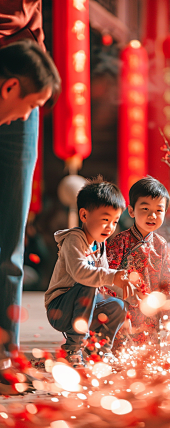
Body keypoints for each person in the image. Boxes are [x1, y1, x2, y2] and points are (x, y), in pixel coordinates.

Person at [0, 38, 61, 394]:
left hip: (22, 58)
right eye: (31, 107)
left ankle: (5, 356)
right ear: (10, 88)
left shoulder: (20, 93)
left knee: (9, 247)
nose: (27, 116)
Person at [45, 177, 141, 366]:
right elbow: (82, 273)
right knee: (88, 284)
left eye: (114, 221)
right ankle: (73, 349)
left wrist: (130, 293)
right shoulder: (74, 240)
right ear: (84, 215)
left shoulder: (100, 244)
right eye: (105, 220)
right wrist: (113, 276)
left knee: (117, 306)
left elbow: (105, 279)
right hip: (60, 308)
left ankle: (98, 350)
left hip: (83, 305)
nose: (110, 227)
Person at [105, 176, 170, 350]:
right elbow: (107, 277)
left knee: (148, 356)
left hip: (151, 311)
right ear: (131, 211)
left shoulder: (161, 244)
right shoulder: (120, 242)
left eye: (159, 210)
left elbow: (169, 282)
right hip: (125, 310)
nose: (152, 215)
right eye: (145, 208)